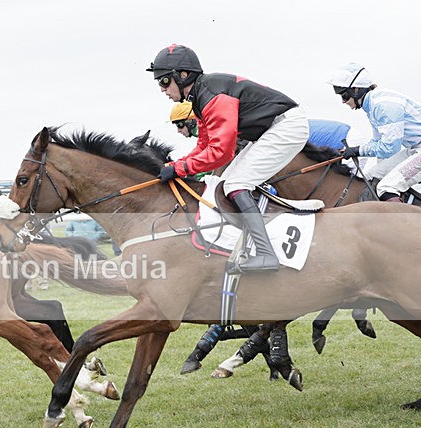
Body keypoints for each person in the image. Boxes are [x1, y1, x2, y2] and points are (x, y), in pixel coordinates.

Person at [149, 44, 309, 272]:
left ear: (183, 75)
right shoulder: (200, 96)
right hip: (271, 129)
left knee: (236, 185)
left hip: (286, 126)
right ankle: (248, 243)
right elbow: (204, 145)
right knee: (222, 185)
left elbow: (221, 152)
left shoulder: (212, 96)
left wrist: (180, 169)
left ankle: (266, 254)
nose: (162, 89)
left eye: (164, 81)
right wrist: (175, 165)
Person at [327, 63, 421, 202]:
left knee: (386, 187)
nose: (343, 101)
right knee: (369, 177)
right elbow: (378, 142)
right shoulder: (372, 106)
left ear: (356, 90)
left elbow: (390, 148)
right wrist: (350, 151)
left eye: (344, 96)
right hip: (415, 149)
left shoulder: (382, 105)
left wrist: (358, 150)